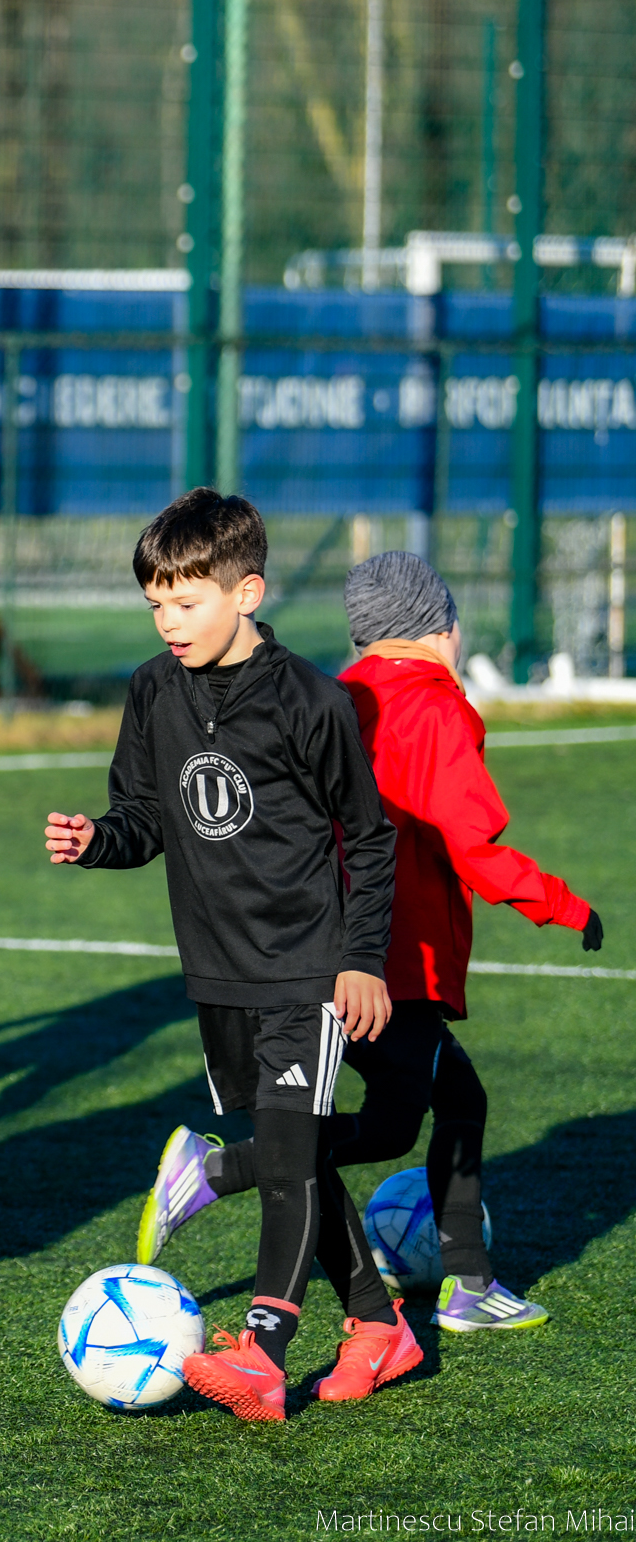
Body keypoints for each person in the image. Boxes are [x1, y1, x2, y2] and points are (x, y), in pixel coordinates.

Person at [136, 549, 601, 1332]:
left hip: (306, 945)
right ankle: (220, 1168)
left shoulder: (334, 695)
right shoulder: (439, 707)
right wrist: (564, 905)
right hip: (394, 958)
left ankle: (466, 1279)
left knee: (459, 1097)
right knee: (392, 1123)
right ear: (442, 628)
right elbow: (474, 849)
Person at [45, 488, 409, 1421]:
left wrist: (360, 960)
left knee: (286, 1165)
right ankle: (378, 1321)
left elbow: (369, 838)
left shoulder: (312, 701)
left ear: (246, 592)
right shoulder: (152, 690)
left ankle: (262, 1346)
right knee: (301, 1157)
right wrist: (98, 837)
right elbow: (146, 818)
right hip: (217, 973)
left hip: (306, 969)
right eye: (156, 603)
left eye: (187, 600)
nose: (169, 621)